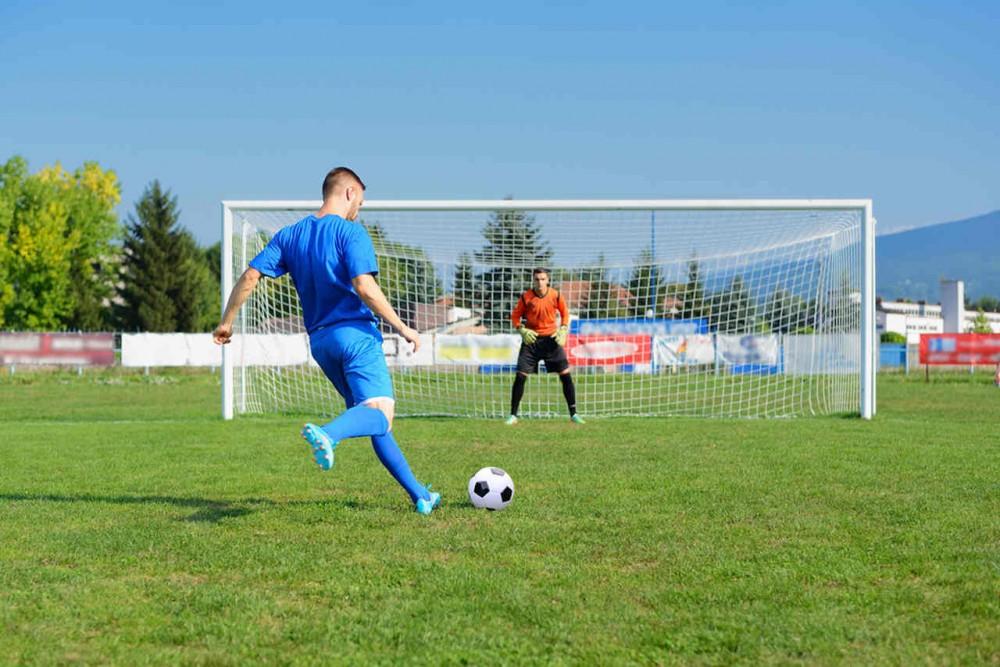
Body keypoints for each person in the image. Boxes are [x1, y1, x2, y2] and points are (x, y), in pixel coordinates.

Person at [213, 167, 441, 515]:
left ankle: (420, 495)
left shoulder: (290, 235)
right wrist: (404, 328)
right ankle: (329, 434)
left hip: (321, 344)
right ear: (349, 193)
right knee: (379, 415)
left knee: (371, 418)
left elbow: (250, 275)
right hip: (356, 337)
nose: (358, 210)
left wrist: (227, 322)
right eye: (359, 202)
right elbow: (364, 286)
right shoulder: (350, 232)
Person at [506, 267, 584, 425]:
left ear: (547, 280)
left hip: (551, 341)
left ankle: (574, 414)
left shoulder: (556, 295)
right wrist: (521, 329)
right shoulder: (526, 297)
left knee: (565, 375)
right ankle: (513, 415)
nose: (540, 282)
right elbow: (515, 316)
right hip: (531, 341)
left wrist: (563, 328)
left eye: (542, 279)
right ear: (533, 281)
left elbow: (565, 313)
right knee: (520, 376)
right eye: (537, 279)